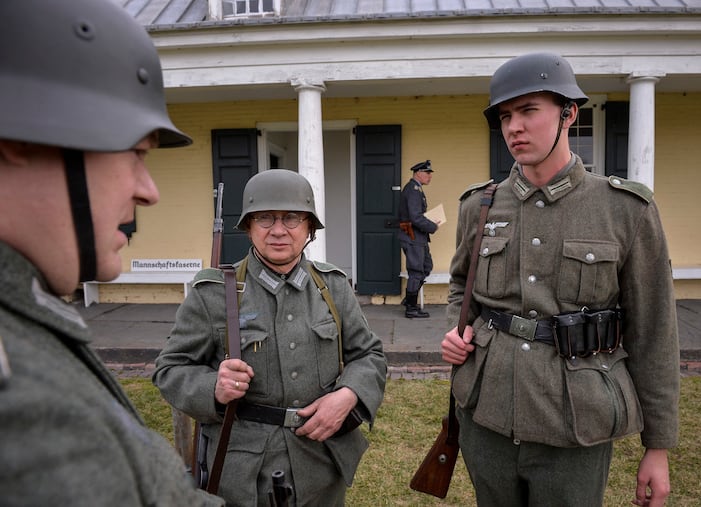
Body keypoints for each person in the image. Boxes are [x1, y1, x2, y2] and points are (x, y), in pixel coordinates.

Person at [0, 1, 224, 506]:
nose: (149, 191)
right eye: (137, 152)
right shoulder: (21, 409)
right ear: (20, 136)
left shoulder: (28, 318)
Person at [441, 52, 680, 507]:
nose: (514, 127)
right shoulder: (481, 206)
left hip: (576, 418)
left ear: (569, 113)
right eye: (506, 116)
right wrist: (458, 327)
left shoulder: (624, 210)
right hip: (486, 411)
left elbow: (655, 332)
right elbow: (460, 285)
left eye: (529, 111)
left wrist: (658, 446)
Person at [153, 169, 387, 507]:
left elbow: (369, 355)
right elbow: (170, 370)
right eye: (265, 218)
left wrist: (348, 395)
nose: (278, 230)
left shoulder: (333, 287)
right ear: (248, 227)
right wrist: (213, 389)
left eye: (292, 218)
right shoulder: (213, 294)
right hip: (243, 471)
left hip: (320, 460)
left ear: (309, 228)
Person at [399, 160, 440, 318]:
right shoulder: (413, 190)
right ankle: (411, 308)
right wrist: (432, 226)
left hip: (418, 237)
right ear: (418, 173)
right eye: (427, 173)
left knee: (426, 266)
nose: (430, 176)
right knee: (416, 271)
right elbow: (415, 217)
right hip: (413, 236)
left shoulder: (416, 189)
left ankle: (409, 298)